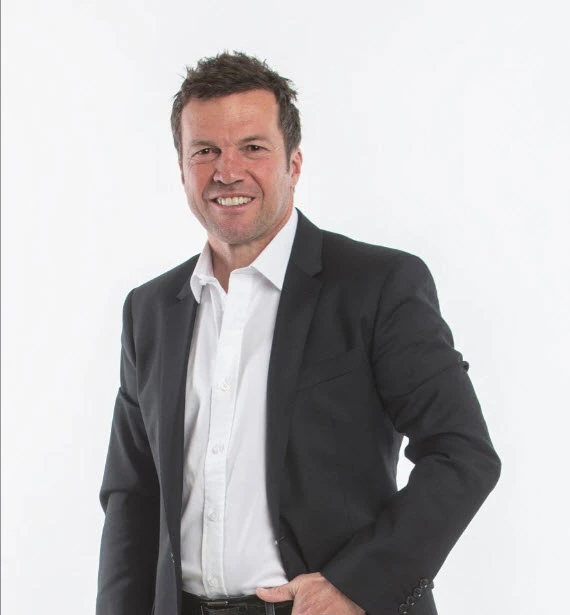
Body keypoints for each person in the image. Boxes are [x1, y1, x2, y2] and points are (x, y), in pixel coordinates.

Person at [97, 51, 501, 615]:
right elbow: (131, 495)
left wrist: (356, 586)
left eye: (252, 147)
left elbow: (462, 453)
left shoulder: (377, 284)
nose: (227, 171)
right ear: (182, 167)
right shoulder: (150, 310)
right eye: (205, 150)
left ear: (294, 163)